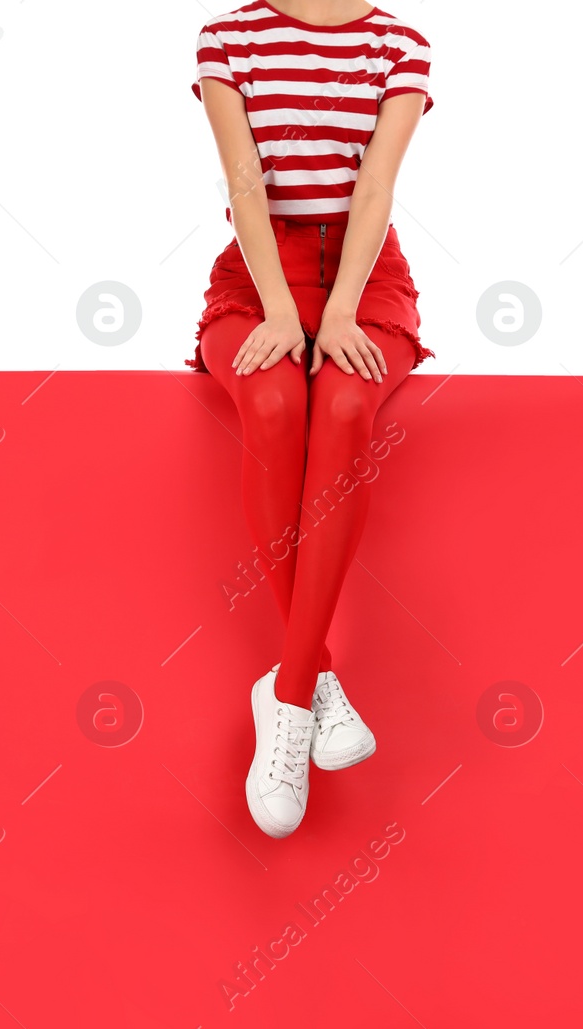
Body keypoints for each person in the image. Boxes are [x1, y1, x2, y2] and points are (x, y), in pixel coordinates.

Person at [189, 0, 434, 837]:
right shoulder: (229, 37)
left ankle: (287, 699)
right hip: (259, 271)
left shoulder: (399, 43)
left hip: (368, 275)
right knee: (271, 398)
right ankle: (317, 681)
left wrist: (340, 312)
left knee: (343, 403)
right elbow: (245, 184)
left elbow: (376, 187)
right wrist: (279, 308)